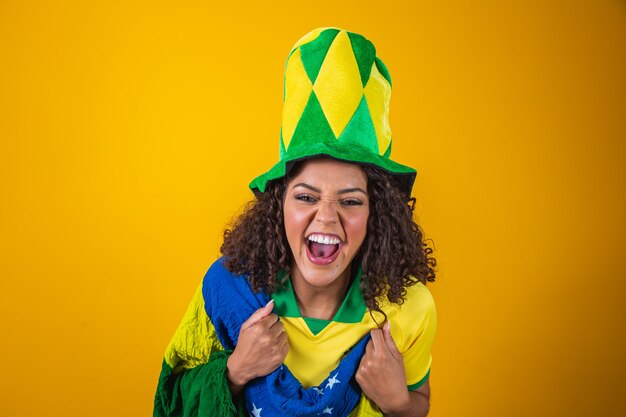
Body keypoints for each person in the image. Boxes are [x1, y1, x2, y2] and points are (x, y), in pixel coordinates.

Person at [153, 27, 437, 417]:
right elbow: (171, 402)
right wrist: (236, 371)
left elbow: (418, 405)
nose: (326, 217)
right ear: (278, 207)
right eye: (306, 196)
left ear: (378, 215)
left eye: (350, 201)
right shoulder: (225, 291)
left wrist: (397, 401)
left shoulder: (410, 307)